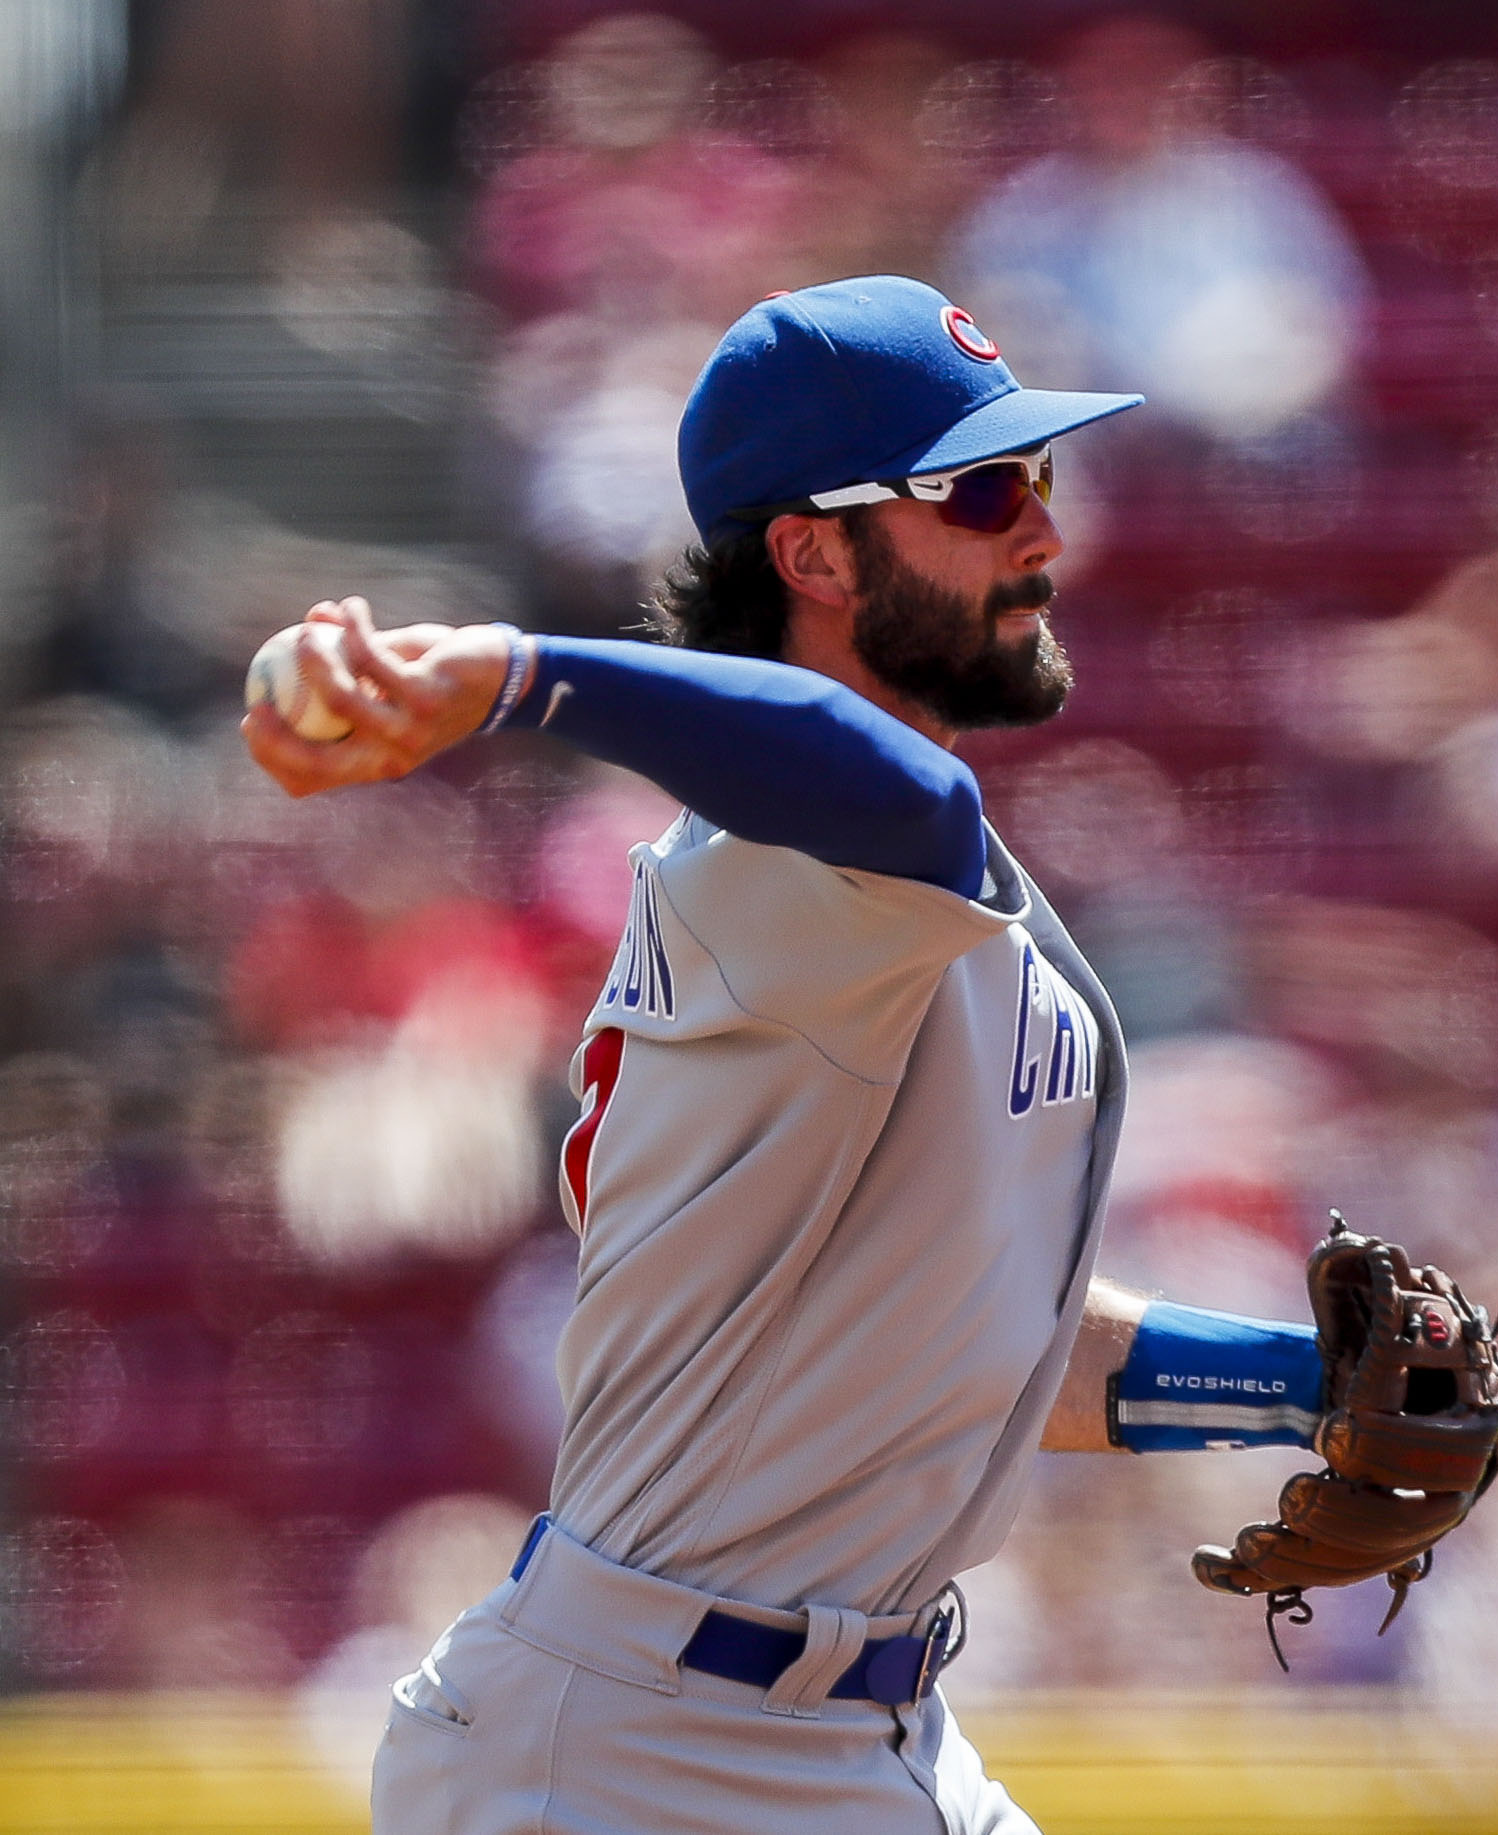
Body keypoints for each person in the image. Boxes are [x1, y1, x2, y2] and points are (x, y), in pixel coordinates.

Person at [242, 276, 1390, 1835]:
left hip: (855, 1733)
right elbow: (876, 789)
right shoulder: (806, 867)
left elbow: (970, 1344)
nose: (1040, 531)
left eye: (1039, 479)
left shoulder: (896, 895)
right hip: (643, 1760)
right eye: (983, 490)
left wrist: (1300, 1386)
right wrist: (519, 676)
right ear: (812, 551)